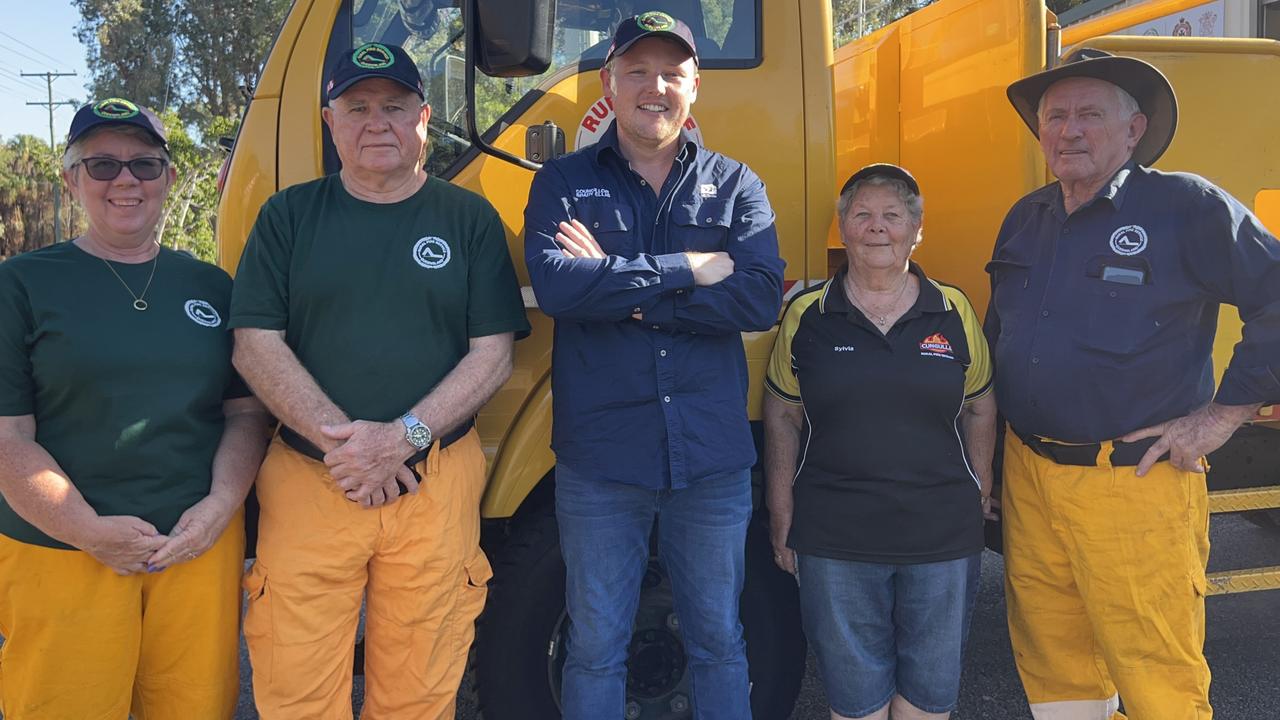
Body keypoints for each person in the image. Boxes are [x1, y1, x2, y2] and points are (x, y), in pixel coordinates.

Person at [229, 42, 530, 718]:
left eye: (394, 107)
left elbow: (492, 355)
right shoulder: (287, 216)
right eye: (356, 107)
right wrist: (348, 446)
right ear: (329, 120)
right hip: (312, 479)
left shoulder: (468, 219)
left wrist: (403, 437)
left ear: (425, 118)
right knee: (296, 688)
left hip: (436, 481)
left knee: (420, 691)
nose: (376, 122)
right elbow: (254, 345)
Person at [989, 48, 1280, 719]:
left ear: (1134, 128)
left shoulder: (1187, 206)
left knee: (1157, 675)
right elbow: (999, 338)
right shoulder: (1026, 217)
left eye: (1090, 114)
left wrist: (1222, 415)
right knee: (1055, 661)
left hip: (1134, 482)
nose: (1069, 129)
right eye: (1055, 116)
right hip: (1031, 476)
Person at [523, 11, 784, 719]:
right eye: (637, 71)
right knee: (596, 647)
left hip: (711, 460)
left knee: (719, 643)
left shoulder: (737, 185)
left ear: (695, 86)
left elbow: (759, 297)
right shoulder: (563, 182)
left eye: (672, 72)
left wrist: (626, 291)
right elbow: (555, 285)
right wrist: (690, 268)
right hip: (602, 462)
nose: (655, 86)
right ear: (607, 82)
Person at [0, 98, 269, 718]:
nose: (126, 181)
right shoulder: (22, 285)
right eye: (102, 166)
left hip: (195, 545)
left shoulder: (211, 286)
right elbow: (9, 437)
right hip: (62, 549)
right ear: (71, 180)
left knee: (194, 708)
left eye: (145, 166)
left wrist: (221, 508)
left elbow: (246, 414)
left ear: (168, 179)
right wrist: (88, 531)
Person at [764, 164, 995, 720]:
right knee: (856, 701)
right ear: (842, 227)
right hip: (835, 538)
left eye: (893, 215)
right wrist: (781, 515)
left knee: (928, 699)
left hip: (940, 537)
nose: (877, 227)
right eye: (862, 215)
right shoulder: (807, 314)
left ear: (918, 229)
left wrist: (978, 493)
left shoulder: (954, 310)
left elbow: (981, 405)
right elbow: (781, 415)